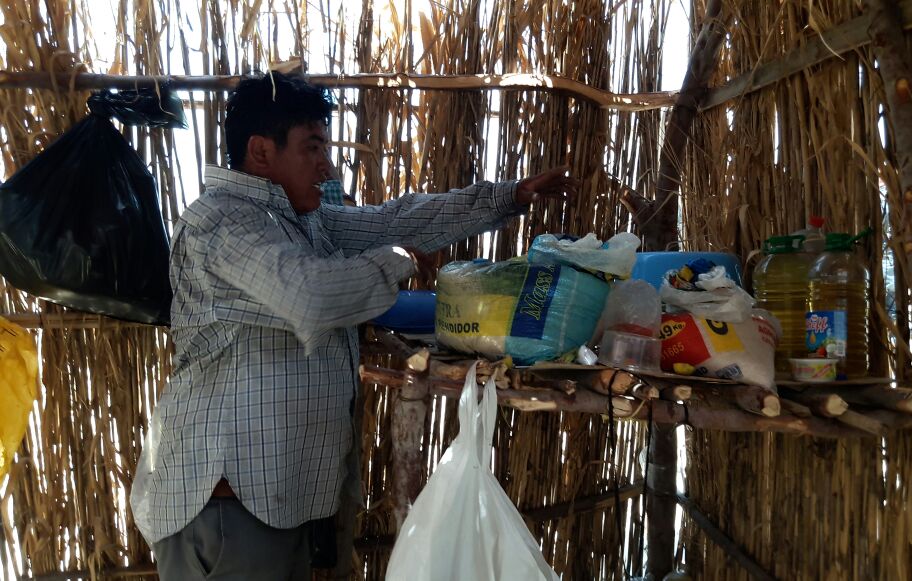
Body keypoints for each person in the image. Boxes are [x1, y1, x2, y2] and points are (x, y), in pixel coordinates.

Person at [129, 71, 577, 580]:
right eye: (312, 148)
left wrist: (507, 197)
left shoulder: (302, 222)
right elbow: (312, 297)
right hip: (225, 511)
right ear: (260, 152)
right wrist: (397, 260)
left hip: (269, 504)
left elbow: (397, 220)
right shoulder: (221, 221)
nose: (326, 165)